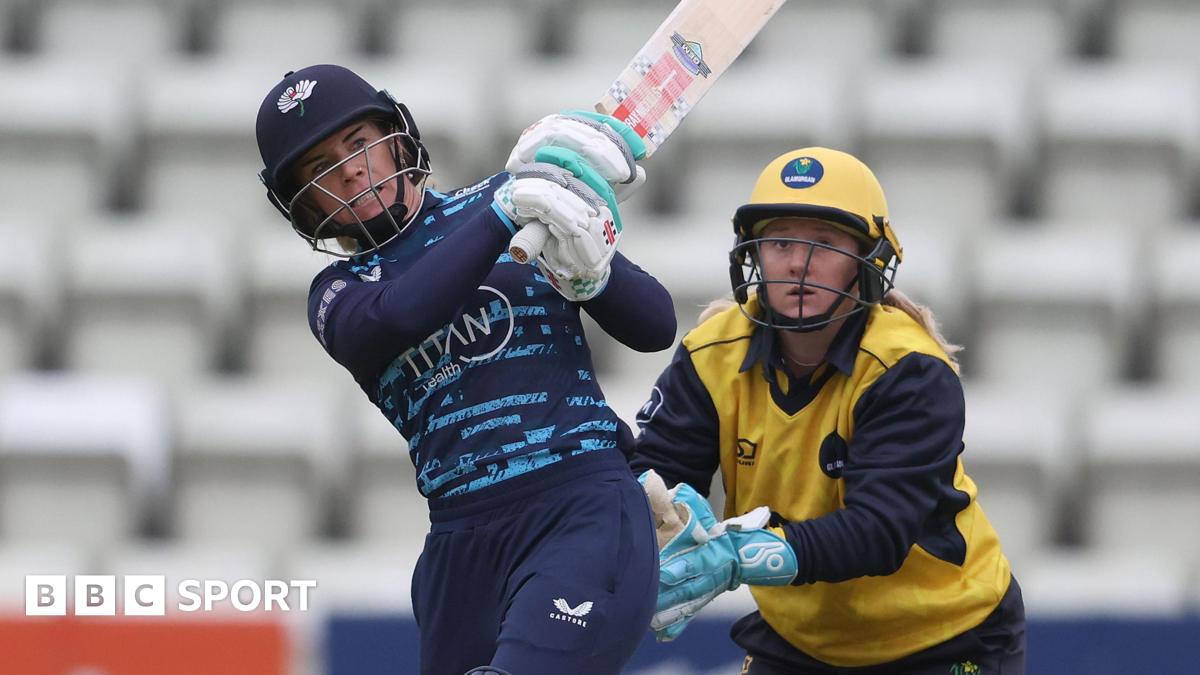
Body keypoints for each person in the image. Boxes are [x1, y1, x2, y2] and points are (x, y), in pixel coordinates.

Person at [255, 64, 676, 675]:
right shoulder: (338, 293)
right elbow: (399, 317)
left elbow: (655, 327)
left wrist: (594, 275)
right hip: (460, 543)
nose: (351, 168)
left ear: (397, 137)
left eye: (360, 142)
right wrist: (505, 214)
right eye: (321, 168)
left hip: (580, 504)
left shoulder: (516, 203)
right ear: (301, 204)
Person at [630, 147, 1025, 674]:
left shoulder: (907, 367)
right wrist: (654, 534)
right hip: (801, 641)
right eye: (781, 242)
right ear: (754, 254)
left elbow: (878, 532)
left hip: (945, 636)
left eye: (826, 244)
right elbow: (657, 475)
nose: (798, 263)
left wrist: (734, 557)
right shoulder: (712, 351)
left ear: (869, 260)